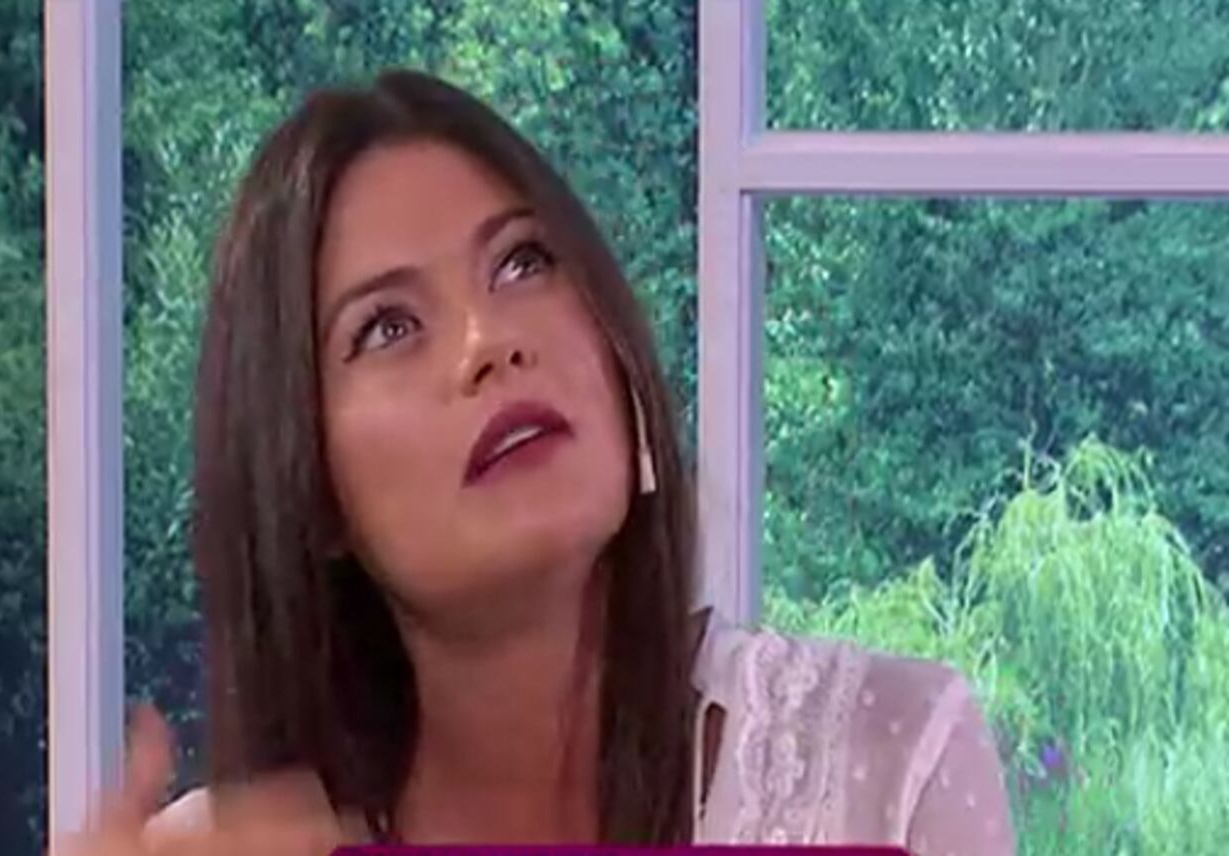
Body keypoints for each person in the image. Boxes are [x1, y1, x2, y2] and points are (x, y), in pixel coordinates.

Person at [58, 70, 1014, 856]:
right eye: (388, 326)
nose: (489, 341)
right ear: (311, 490)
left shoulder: (886, 760)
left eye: (524, 262)